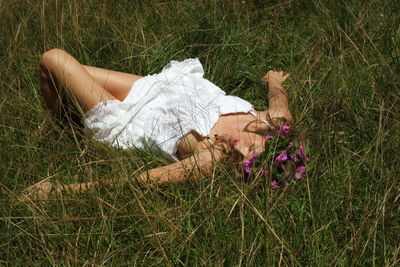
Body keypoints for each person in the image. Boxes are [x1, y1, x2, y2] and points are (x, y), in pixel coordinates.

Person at [23, 48, 293, 200]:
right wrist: (274, 80)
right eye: (255, 156)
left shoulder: (209, 160)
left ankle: (62, 131)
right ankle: (64, 126)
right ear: (273, 140)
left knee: (52, 59)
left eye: (244, 170)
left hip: (125, 118)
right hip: (153, 87)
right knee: (54, 74)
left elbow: (138, 182)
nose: (241, 155)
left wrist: (57, 191)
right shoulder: (274, 121)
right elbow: (278, 99)